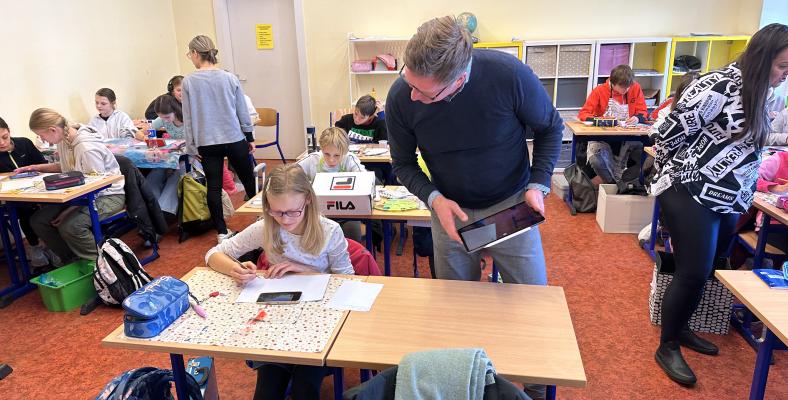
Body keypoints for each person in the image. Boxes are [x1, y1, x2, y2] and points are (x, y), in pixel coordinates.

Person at [650, 23, 788, 386]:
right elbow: (666, 135)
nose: (785, 75)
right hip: (690, 189)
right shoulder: (718, 84)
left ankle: (681, 329)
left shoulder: (761, 91)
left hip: (729, 195)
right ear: (762, 58)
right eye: (782, 66)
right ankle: (667, 345)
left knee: (708, 267)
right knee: (693, 271)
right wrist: (675, 175)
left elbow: (754, 138)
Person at [386, 16, 563, 286]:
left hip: (511, 204)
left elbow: (550, 127)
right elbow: (403, 163)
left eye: (424, 93)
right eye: (409, 82)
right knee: (456, 301)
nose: (412, 96)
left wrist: (538, 184)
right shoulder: (401, 96)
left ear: (458, 81)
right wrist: (434, 200)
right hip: (450, 209)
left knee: (533, 298)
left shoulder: (509, 75)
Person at [205, 164, 353, 400]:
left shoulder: (329, 230)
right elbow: (213, 254)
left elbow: (349, 281)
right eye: (277, 211)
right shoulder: (266, 227)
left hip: (319, 322)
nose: (284, 219)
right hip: (277, 320)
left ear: (307, 200)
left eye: (293, 211)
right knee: (266, 391)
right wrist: (235, 269)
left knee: (305, 389)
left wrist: (306, 270)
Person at [24, 108, 125, 264]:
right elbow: (67, 168)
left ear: (52, 130)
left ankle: (104, 265)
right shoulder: (63, 140)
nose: (42, 139)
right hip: (81, 195)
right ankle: (72, 261)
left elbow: (96, 186)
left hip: (108, 195)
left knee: (71, 226)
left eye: (41, 135)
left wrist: (68, 211)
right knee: (39, 220)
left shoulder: (86, 148)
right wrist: (36, 167)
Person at [182, 34, 257, 243]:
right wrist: (249, 136)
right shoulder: (229, 78)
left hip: (207, 143)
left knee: (214, 187)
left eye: (190, 54)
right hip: (233, 138)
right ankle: (263, 221)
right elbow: (242, 110)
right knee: (249, 181)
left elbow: (188, 118)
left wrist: (191, 146)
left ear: (195, 53)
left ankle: (222, 232)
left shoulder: (188, 82)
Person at [0, 117, 56, 267]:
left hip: (40, 190)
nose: (2, 143)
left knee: (50, 207)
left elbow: (43, 165)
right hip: (14, 199)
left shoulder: (24, 143)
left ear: (9, 131)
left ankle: (52, 245)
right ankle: (35, 246)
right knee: (27, 209)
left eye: (5, 137)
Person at [577, 65, 648, 184]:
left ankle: (625, 182)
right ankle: (614, 184)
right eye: (622, 87)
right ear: (613, 83)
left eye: (628, 87)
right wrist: (601, 120)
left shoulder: (635, 88)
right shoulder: (600, 90)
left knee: (647, 155)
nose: (626, 90)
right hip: (604, 137)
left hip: (628, 136)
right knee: (596, 159)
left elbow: (643, 111)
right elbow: (583, 113)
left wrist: (637, 118)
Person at [298, 127, 365, 242]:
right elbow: (290, 175)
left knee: (352, 237)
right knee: (314, 239)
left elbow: (363, 180)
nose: (331, 160)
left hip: (347, 214)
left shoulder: (349, 159)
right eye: (327, 154)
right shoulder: (313, 160)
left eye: (337, 155)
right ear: (321, 149)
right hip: (319, 214)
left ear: (344, 151)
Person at [144, 94, 186, 217]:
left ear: (175, 110)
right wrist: (145, 137)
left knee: (178, 175)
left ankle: (165, 211)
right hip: (170, 157)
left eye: (167, 117)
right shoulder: (163, 118)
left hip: (189, 158)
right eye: (162, 118)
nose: (165, 121)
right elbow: (143, 131)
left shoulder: (189, 119)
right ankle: (153, 209)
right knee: (154, 175)